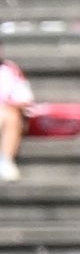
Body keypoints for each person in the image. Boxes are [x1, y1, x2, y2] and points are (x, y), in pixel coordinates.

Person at [0, 53, 32, 183]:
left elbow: (24, 99)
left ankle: (5, 161)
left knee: (11, 114)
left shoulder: (10, 70)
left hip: (5, 114)